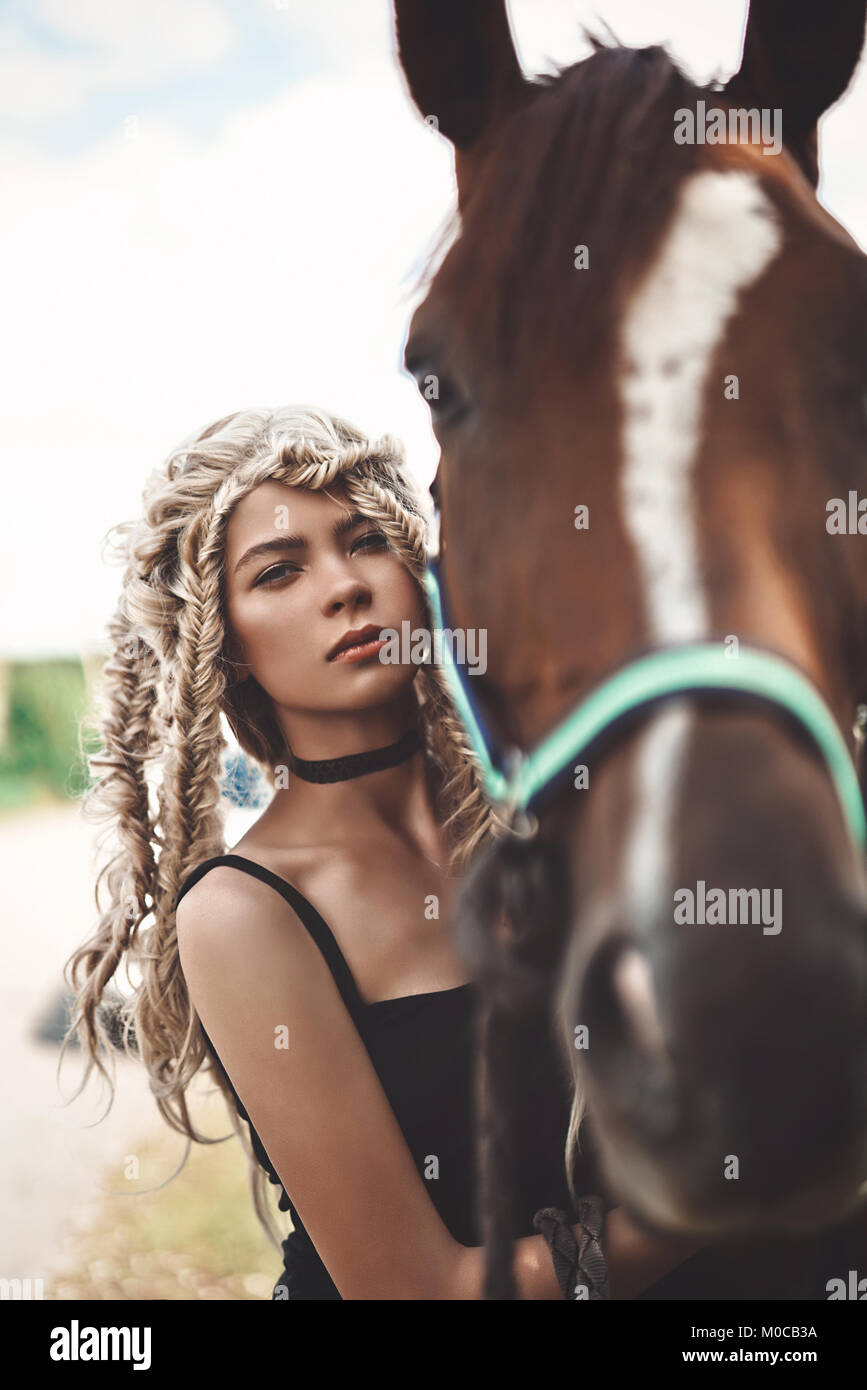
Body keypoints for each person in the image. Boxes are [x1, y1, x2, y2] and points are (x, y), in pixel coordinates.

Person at [62, 405, 704, 1299]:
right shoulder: (246, 909)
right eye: (279, 571)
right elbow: (417, 1288)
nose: (344, 586)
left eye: (365, 540)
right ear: (224, 641)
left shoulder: (565, 813)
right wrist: (710, 1206)